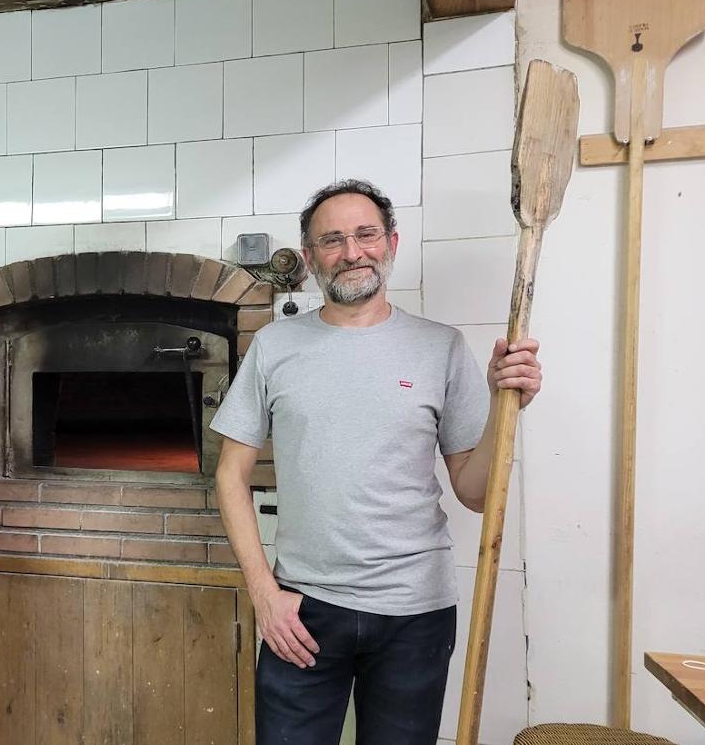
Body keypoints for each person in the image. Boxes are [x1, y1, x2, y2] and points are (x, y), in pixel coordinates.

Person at [211, 179, 543, 745]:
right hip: (301, 610)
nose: (351, 251)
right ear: (311, 255)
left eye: (366, 234)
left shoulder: (441, 346)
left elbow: (476, 491)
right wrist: (264, 594)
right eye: (332, 240)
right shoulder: (275, 346)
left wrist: (503, 406)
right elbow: (230, 475)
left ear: (391, 242)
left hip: (415, 612)